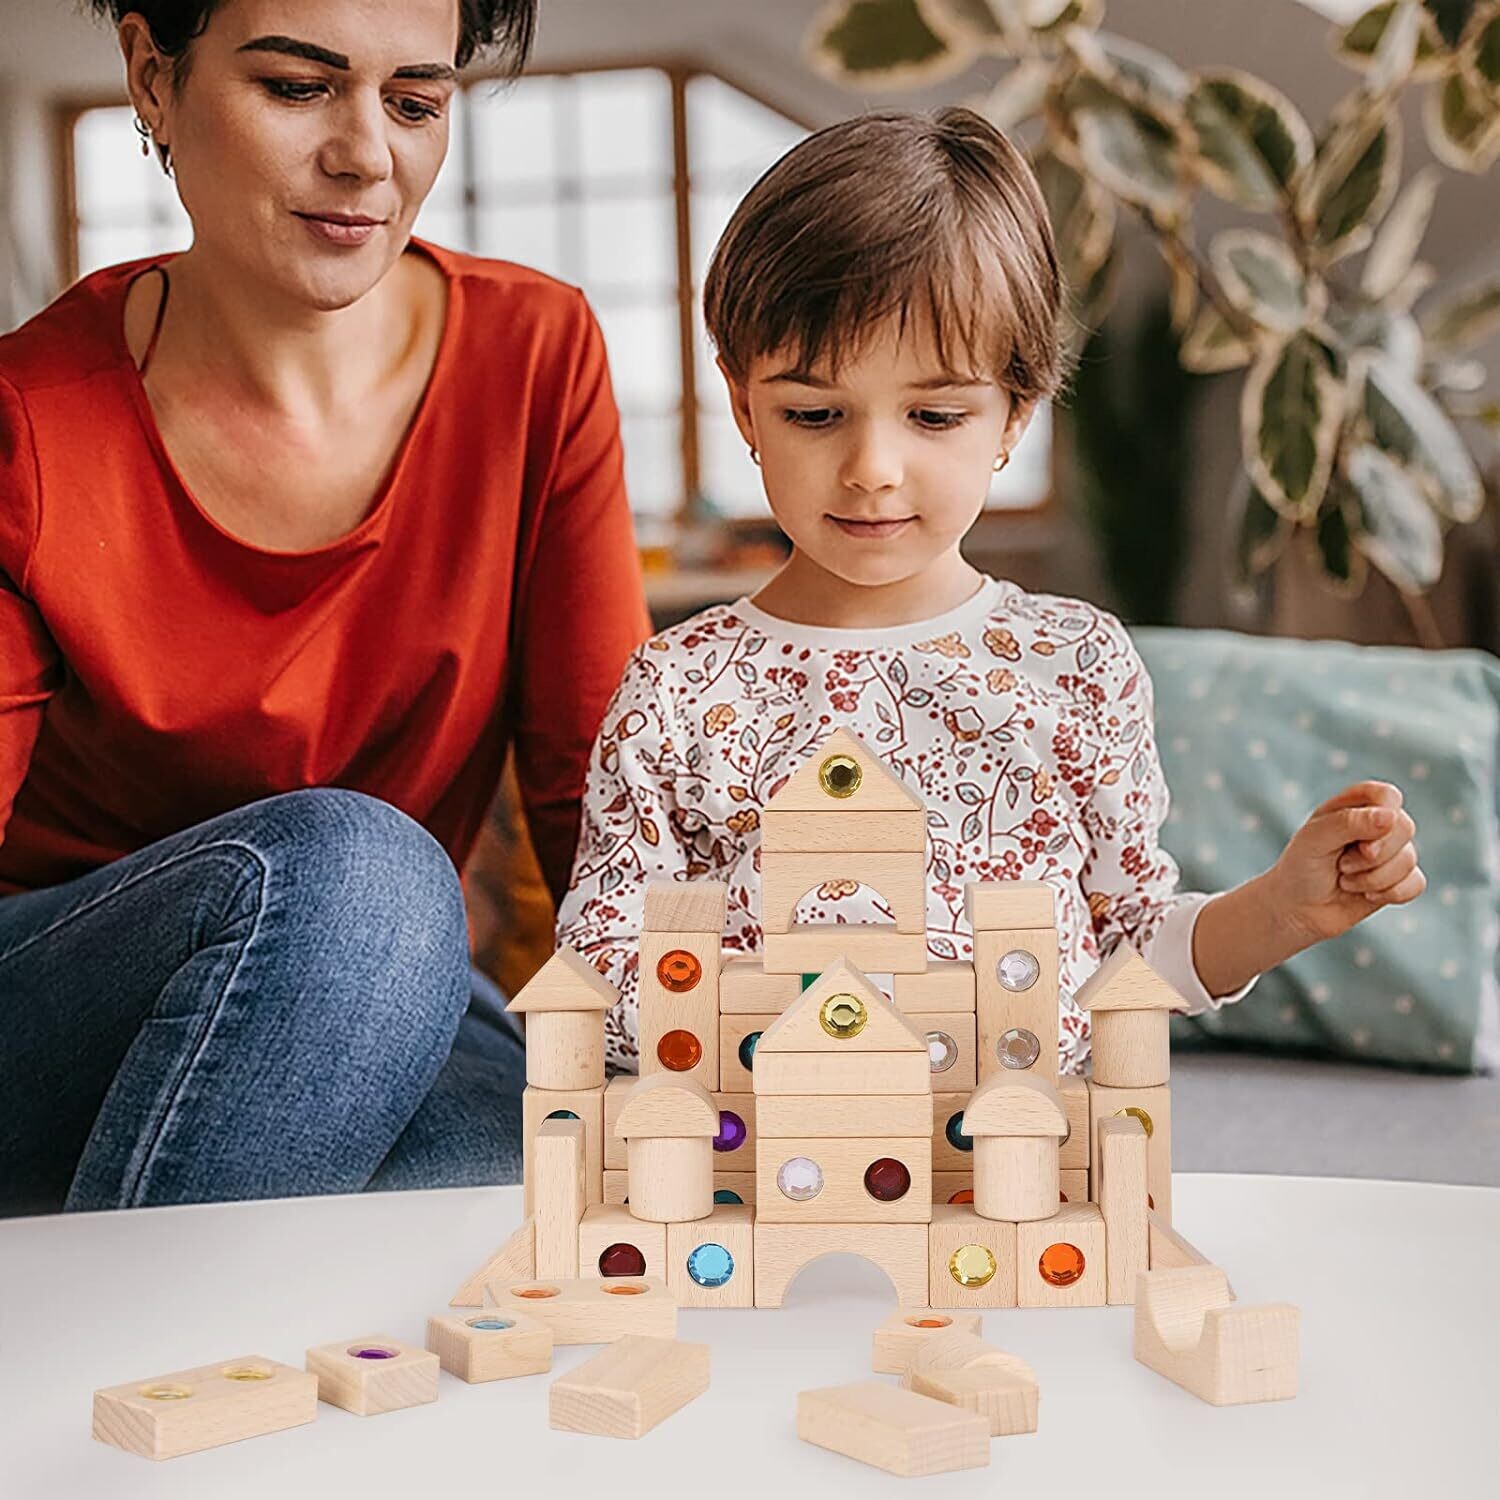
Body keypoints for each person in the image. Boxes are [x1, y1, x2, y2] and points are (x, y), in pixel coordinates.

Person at [554, 107, 1425, 1077]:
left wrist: (1279, 911)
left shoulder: (1075, 666)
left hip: (1017, 1186)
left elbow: (1123, 958)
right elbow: (601, 971)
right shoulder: (680, 690)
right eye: (813, 412)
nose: (872, 467)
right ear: (743, 404)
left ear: (1016, 413)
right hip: (761, 1182)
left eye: (933, 414)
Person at [0, 0, 651, 1215]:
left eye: (415, 101)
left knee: (503, 1171)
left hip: (382, 984)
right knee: (366, 872)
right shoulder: (28, 418)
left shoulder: (536, 354)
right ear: (154, 76)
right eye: (299, 89)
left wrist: (674, 1070)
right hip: (57, 1004)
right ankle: (142, 1387)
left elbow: (597, 799)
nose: (368, 157)